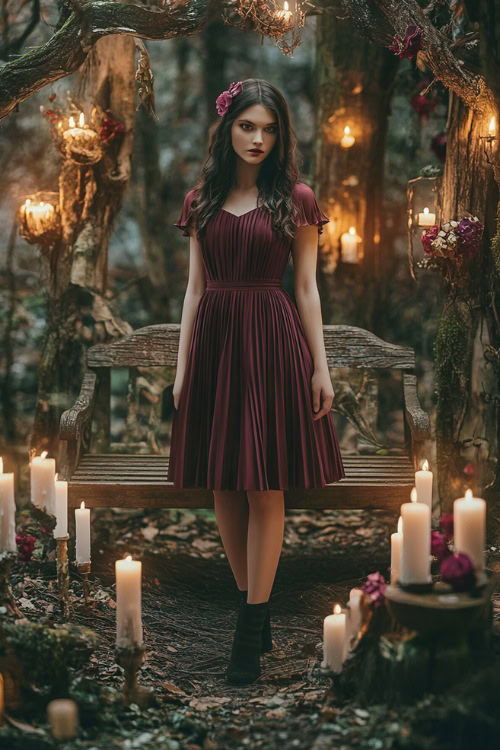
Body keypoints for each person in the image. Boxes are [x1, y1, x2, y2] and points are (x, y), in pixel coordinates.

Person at [168, 79, 346, 686]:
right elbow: (193, 289)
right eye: (248, 126)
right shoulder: (202, 200)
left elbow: (306, 288)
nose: (258, 139)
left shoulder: (295, 198)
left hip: (273, 342)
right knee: (224, 481)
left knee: (266, 485)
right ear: (228, 129)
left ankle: (248, 628)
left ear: (281, 135)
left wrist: (321, 367)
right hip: (216, 341)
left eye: (269, 129)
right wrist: (183, 364)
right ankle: (255, 601)